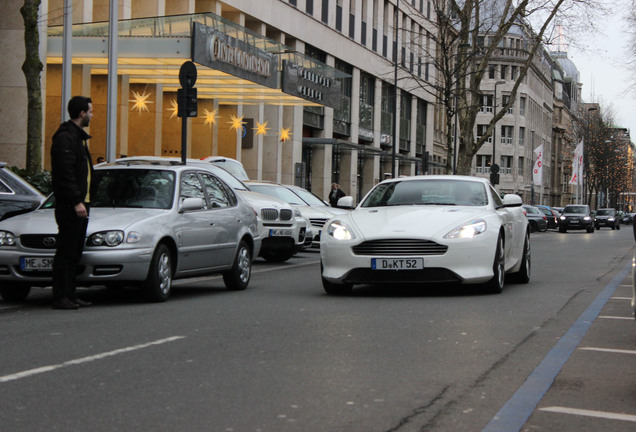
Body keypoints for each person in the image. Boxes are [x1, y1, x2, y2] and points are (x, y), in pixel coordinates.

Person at [50, 96, 95, 310]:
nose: (92, 116)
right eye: (90, 112)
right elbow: (65, 173)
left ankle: (71, 294)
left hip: (81, 204)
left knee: (74, 252)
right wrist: (77, 201)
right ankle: (61, 296)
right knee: (66, 252)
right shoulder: (66, 138)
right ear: (81, 114)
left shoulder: (76, 138)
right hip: (71, 205)